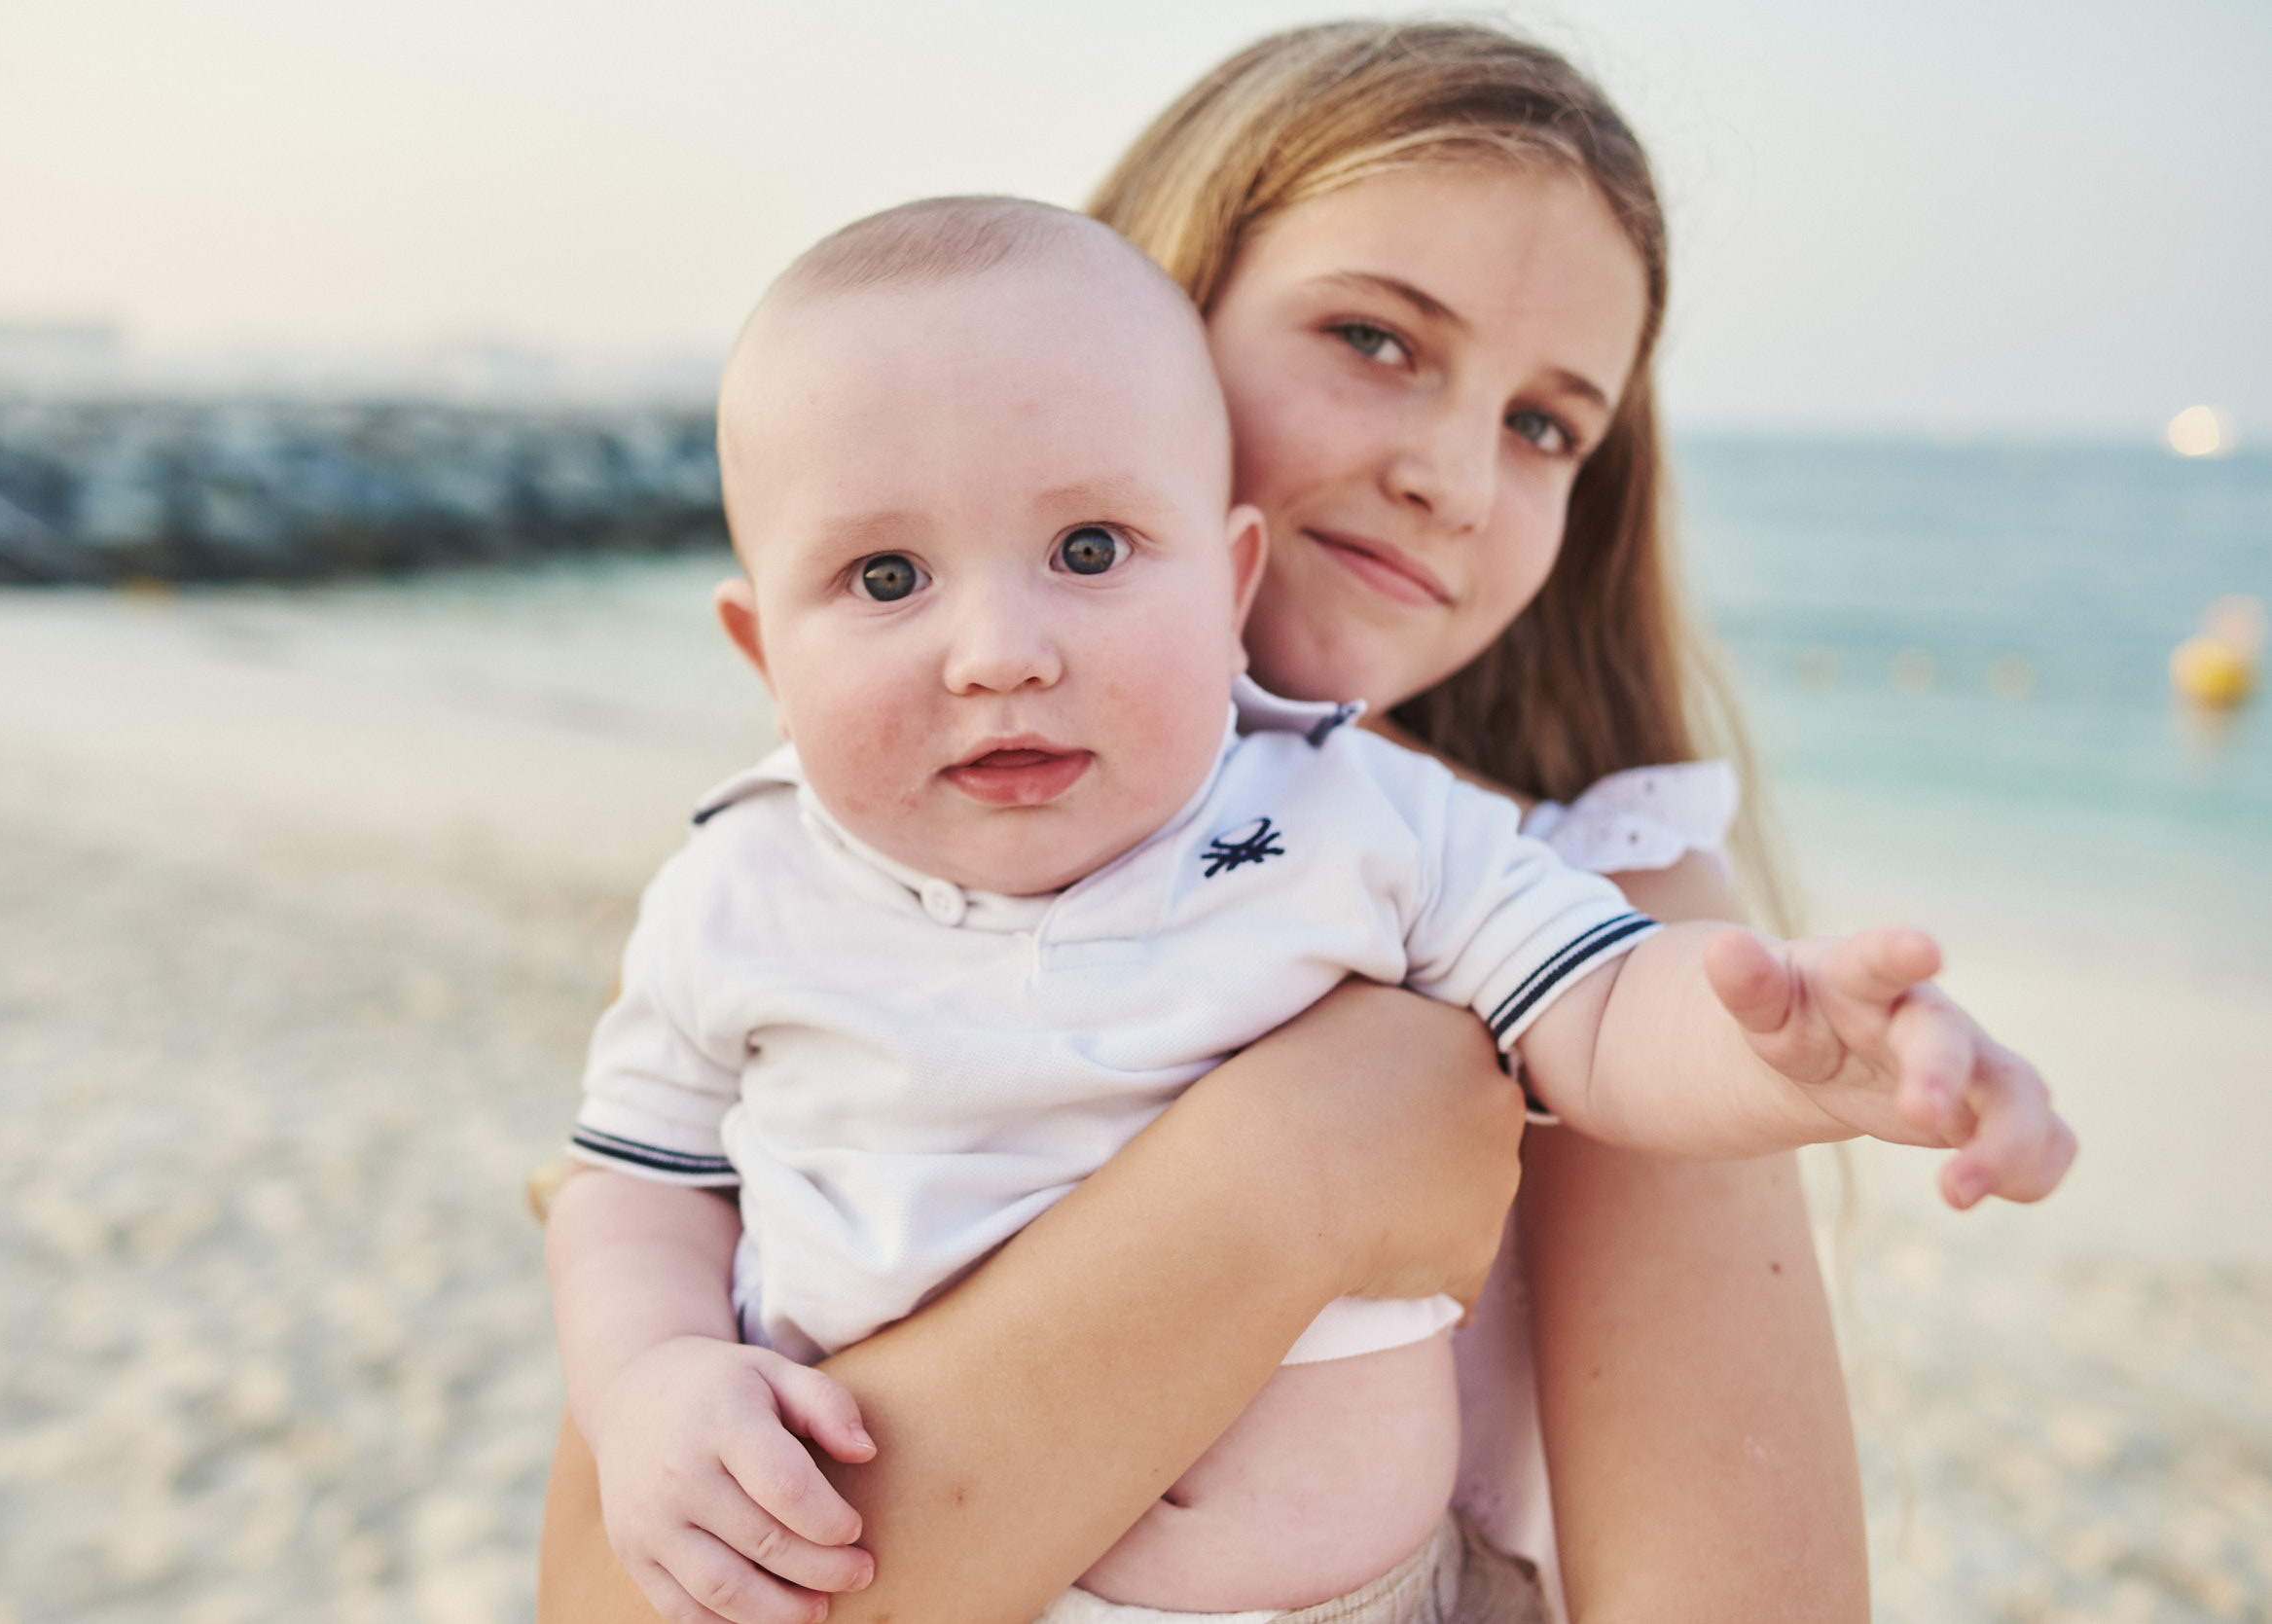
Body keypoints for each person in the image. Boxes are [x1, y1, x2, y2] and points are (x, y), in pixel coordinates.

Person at [535, 21, 2068, 1622]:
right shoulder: (795, 870)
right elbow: (606, 1570)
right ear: (1157, 309)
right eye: (1377, 339)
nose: (1456, 476)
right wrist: (1304, 1170)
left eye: (1546, 424)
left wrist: (1797, 1050)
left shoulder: (1548, 875)